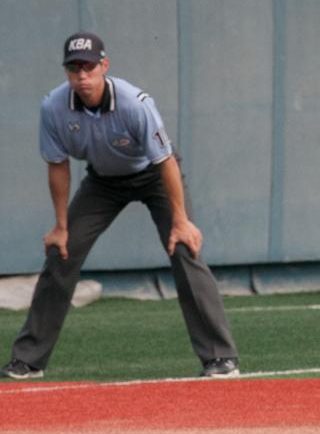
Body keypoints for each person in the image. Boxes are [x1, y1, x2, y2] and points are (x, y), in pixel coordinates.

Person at [2, 32, 240, 380]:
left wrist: (180, 220)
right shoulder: (53, 107)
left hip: (155, 176)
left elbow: (166, 162)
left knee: (184, 248)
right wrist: (60, 225)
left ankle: (220, 357)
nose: (82, 76)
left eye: (89, 67)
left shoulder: (135, 103)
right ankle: (29, 360)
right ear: (66, 71)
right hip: (103, 182)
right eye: (73, 68)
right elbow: (58, 165)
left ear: (104, 66)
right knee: (62, 252)